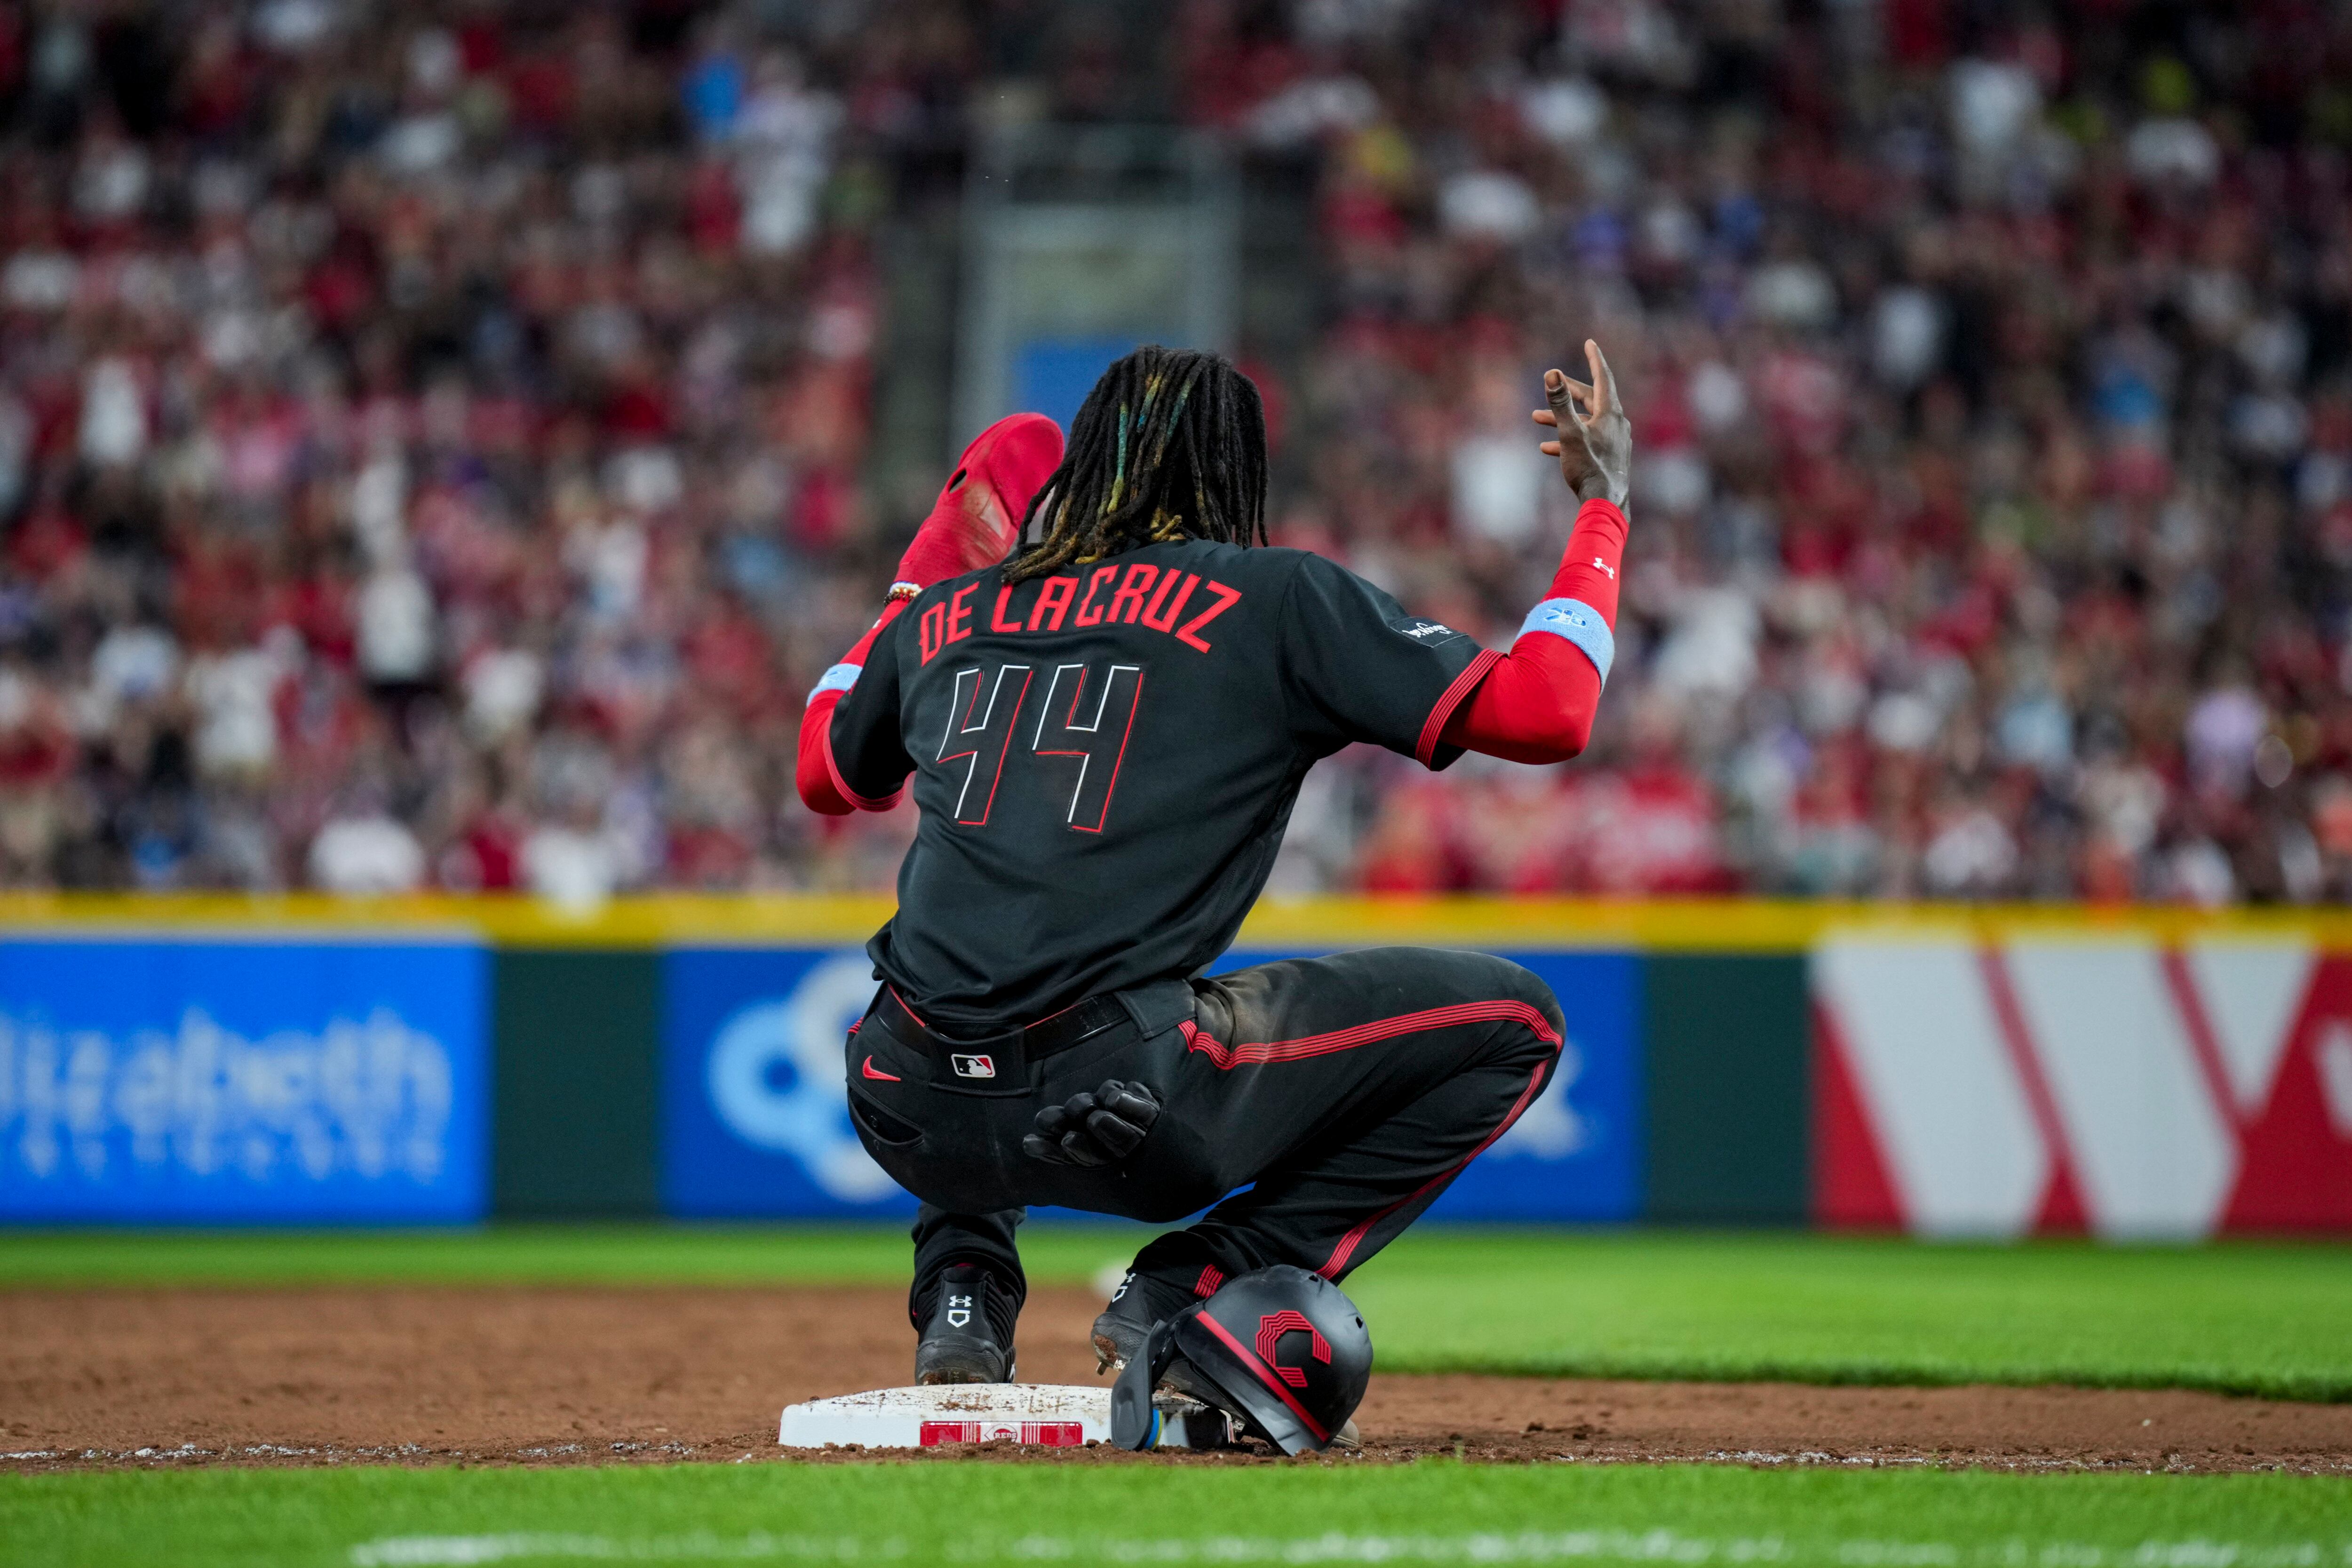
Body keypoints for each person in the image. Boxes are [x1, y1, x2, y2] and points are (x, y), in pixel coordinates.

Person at [795, 339, 1634, 1412]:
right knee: (1520, 1025)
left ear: (1084, 462)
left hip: (898, 1098)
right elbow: (1549, 708)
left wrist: (921, 580)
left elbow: (826, 771)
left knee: (984, 922)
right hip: (1133, 1100)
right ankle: (1192, 1281)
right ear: (1238, 468)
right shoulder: (1273, 597)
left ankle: (963, 1287)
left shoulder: (945, 613)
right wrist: (1603, 506)